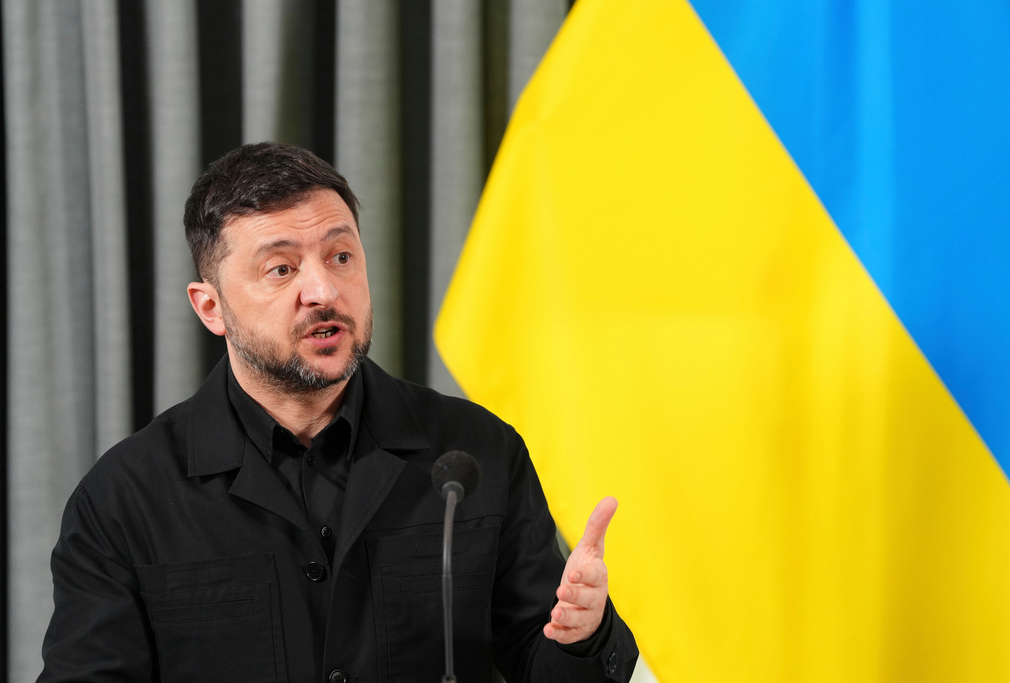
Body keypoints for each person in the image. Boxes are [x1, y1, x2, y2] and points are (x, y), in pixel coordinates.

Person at [38, 142, 639, 682]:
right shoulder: (124, 499)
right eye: (282, 269)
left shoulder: (475, 454)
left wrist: (582, 637)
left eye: (341, 257)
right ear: (211, 308)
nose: (323, 291)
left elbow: (544, 668)